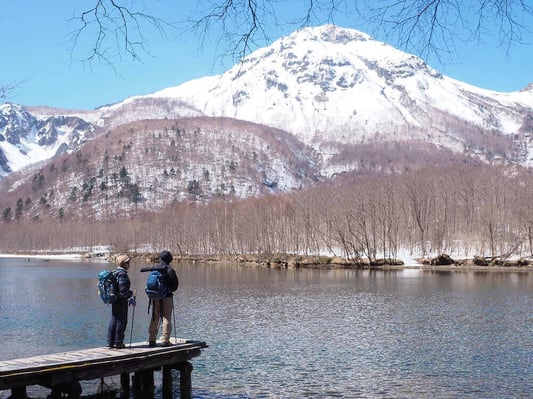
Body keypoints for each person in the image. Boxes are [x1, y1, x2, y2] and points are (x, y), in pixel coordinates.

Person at [140, 250, 179, 347]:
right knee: (166, 318)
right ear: (169, 260)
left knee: (155, 317)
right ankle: (165, 340)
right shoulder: (169, 270)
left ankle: (152, 339)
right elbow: (174, 287)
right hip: (167, 297)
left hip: (155, 297)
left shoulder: (154, 269)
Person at [107, 254, 135, 349]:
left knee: (114, 319)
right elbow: (122, 289)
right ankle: (118, 343)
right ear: (124, 264)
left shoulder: (114, 272)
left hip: (114, 300)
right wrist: (129, 297)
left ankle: (110, 342)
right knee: (121, 321)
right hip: (121, 301)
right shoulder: (122, 274)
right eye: (128, 262)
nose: (129, 264)